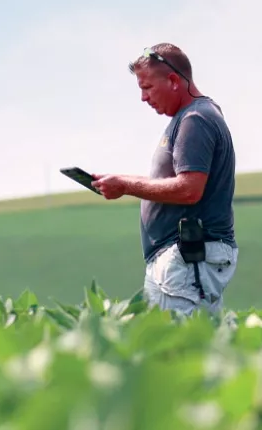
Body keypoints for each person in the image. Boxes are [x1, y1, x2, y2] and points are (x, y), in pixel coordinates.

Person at [91, 43, 238, 316]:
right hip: (187, 258)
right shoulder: (194, 116)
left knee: (177, 349)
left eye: (146, 87)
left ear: (172, 81)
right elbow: (175, 182)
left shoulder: (195, 119)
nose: (143, 98)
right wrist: (119, 179)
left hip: (188, 257)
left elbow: (189, 189)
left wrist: (125, 187)